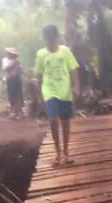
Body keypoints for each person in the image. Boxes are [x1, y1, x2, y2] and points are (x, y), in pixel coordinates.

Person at [35, 25, 80, 166]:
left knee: (65, 122)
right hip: (49, 90)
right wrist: (39, 96)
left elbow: (74, 69)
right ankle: (57, 152)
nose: (50, 42)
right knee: (53, 120)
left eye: (52, 39)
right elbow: (39, 75)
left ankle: (66, 153)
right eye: (47, 39)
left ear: (57, 38)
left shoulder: (65, 51)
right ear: (44, 39)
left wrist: (77, 85)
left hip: (65, 91)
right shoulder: (41, 54)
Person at [1, 48, 24, 120]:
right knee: (12, 96)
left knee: (19, 95)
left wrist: (16, 67)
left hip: (17, 79)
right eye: (8, 53)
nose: (9, 55)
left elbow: (19, 69)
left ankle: (20, 112)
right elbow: (5, 69)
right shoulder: (5, 60)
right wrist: (12, 65)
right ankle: (14, 112)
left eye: (11, 54)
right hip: (10, 79)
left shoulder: (17, 61)